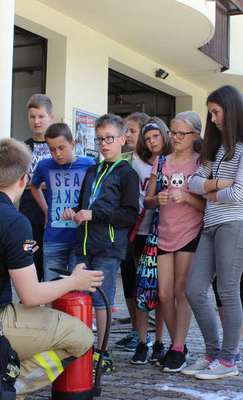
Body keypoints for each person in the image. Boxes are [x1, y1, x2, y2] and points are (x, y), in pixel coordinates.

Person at [0, 138, 103, 400]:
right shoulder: (14, 221)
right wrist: (74, 281)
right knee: (81, 336)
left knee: (32, 324)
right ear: (24, 179)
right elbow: (31, 296)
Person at [183, 85, 243, 380]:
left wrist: (211, 190)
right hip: (211, 226)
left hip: (235, 224)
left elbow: (241, 192)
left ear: (231, 110)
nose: (213, 119)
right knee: (194, 289)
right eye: (211, 113)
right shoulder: (215, 149)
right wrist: (219, 184)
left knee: (228, 290)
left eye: (216, 112)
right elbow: (192, 183)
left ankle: (228, 360)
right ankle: (213, 353)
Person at [62, 113, 140, 373]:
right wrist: (74, 211)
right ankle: (81, 349)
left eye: (109, 138)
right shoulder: (93, 170)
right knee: (78, 298)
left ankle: (102, 353)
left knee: (100, 300)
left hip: (108, 247)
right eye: (99, 139)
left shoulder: (127, 173)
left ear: (122, 140)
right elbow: (86, 204)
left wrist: (95, 215)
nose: (104, 144)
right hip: (82, 244)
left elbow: (130, 214)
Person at [137, 111, 205, 372]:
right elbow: (148, 200)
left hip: (189, 233)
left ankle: (177, 347)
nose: (175, 138)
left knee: (180, 290)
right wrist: (159, 199)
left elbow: (207, 204)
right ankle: (179, 343)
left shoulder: (201, 163)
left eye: (181, 134)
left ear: (195, 136)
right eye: (173, 133)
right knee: (164, 293)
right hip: (163, 234)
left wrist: (186, 198)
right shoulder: (162, 162)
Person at [129, 117, 174, 363]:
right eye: (147, 139)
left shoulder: (173, 160)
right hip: (142, 231)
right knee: (143, 287)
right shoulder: (136, 162)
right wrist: (157, 199)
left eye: (156, 136)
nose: (152, 141)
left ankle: (159, 341)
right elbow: (147, 199)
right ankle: (142, 341)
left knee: (163, 291)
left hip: (166, 234)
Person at [30, 123, 95, 281]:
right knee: (50, 287)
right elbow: (34, 186)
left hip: (80, 237)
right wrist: (46, 211)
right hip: (53, 237)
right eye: (52, 149)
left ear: (72, 144)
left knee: (76, 289)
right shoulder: (44, 166)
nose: (57, 154)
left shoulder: (89, 164)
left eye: (61, 148)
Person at [115, 112, 150, 350]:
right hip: (128, 229)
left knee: (145, 283)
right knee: (129, 280)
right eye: (125, 130)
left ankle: (147, 334)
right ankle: (135, 330)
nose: (127, 135)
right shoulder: (124, 159)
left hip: (151, 229)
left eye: (132, 130)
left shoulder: (159, 160)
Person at [20, 94, 55, 281]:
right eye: (32, 117)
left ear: (51, 117)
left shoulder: (57, 147)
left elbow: (60, 179)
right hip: (28, 216)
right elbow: (18, 180)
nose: (36, 121)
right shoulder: (21, 148)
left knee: (51, 265)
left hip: (55, 216)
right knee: (29, 261)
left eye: (41, 116)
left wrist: (33, 179)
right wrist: (43, 180)